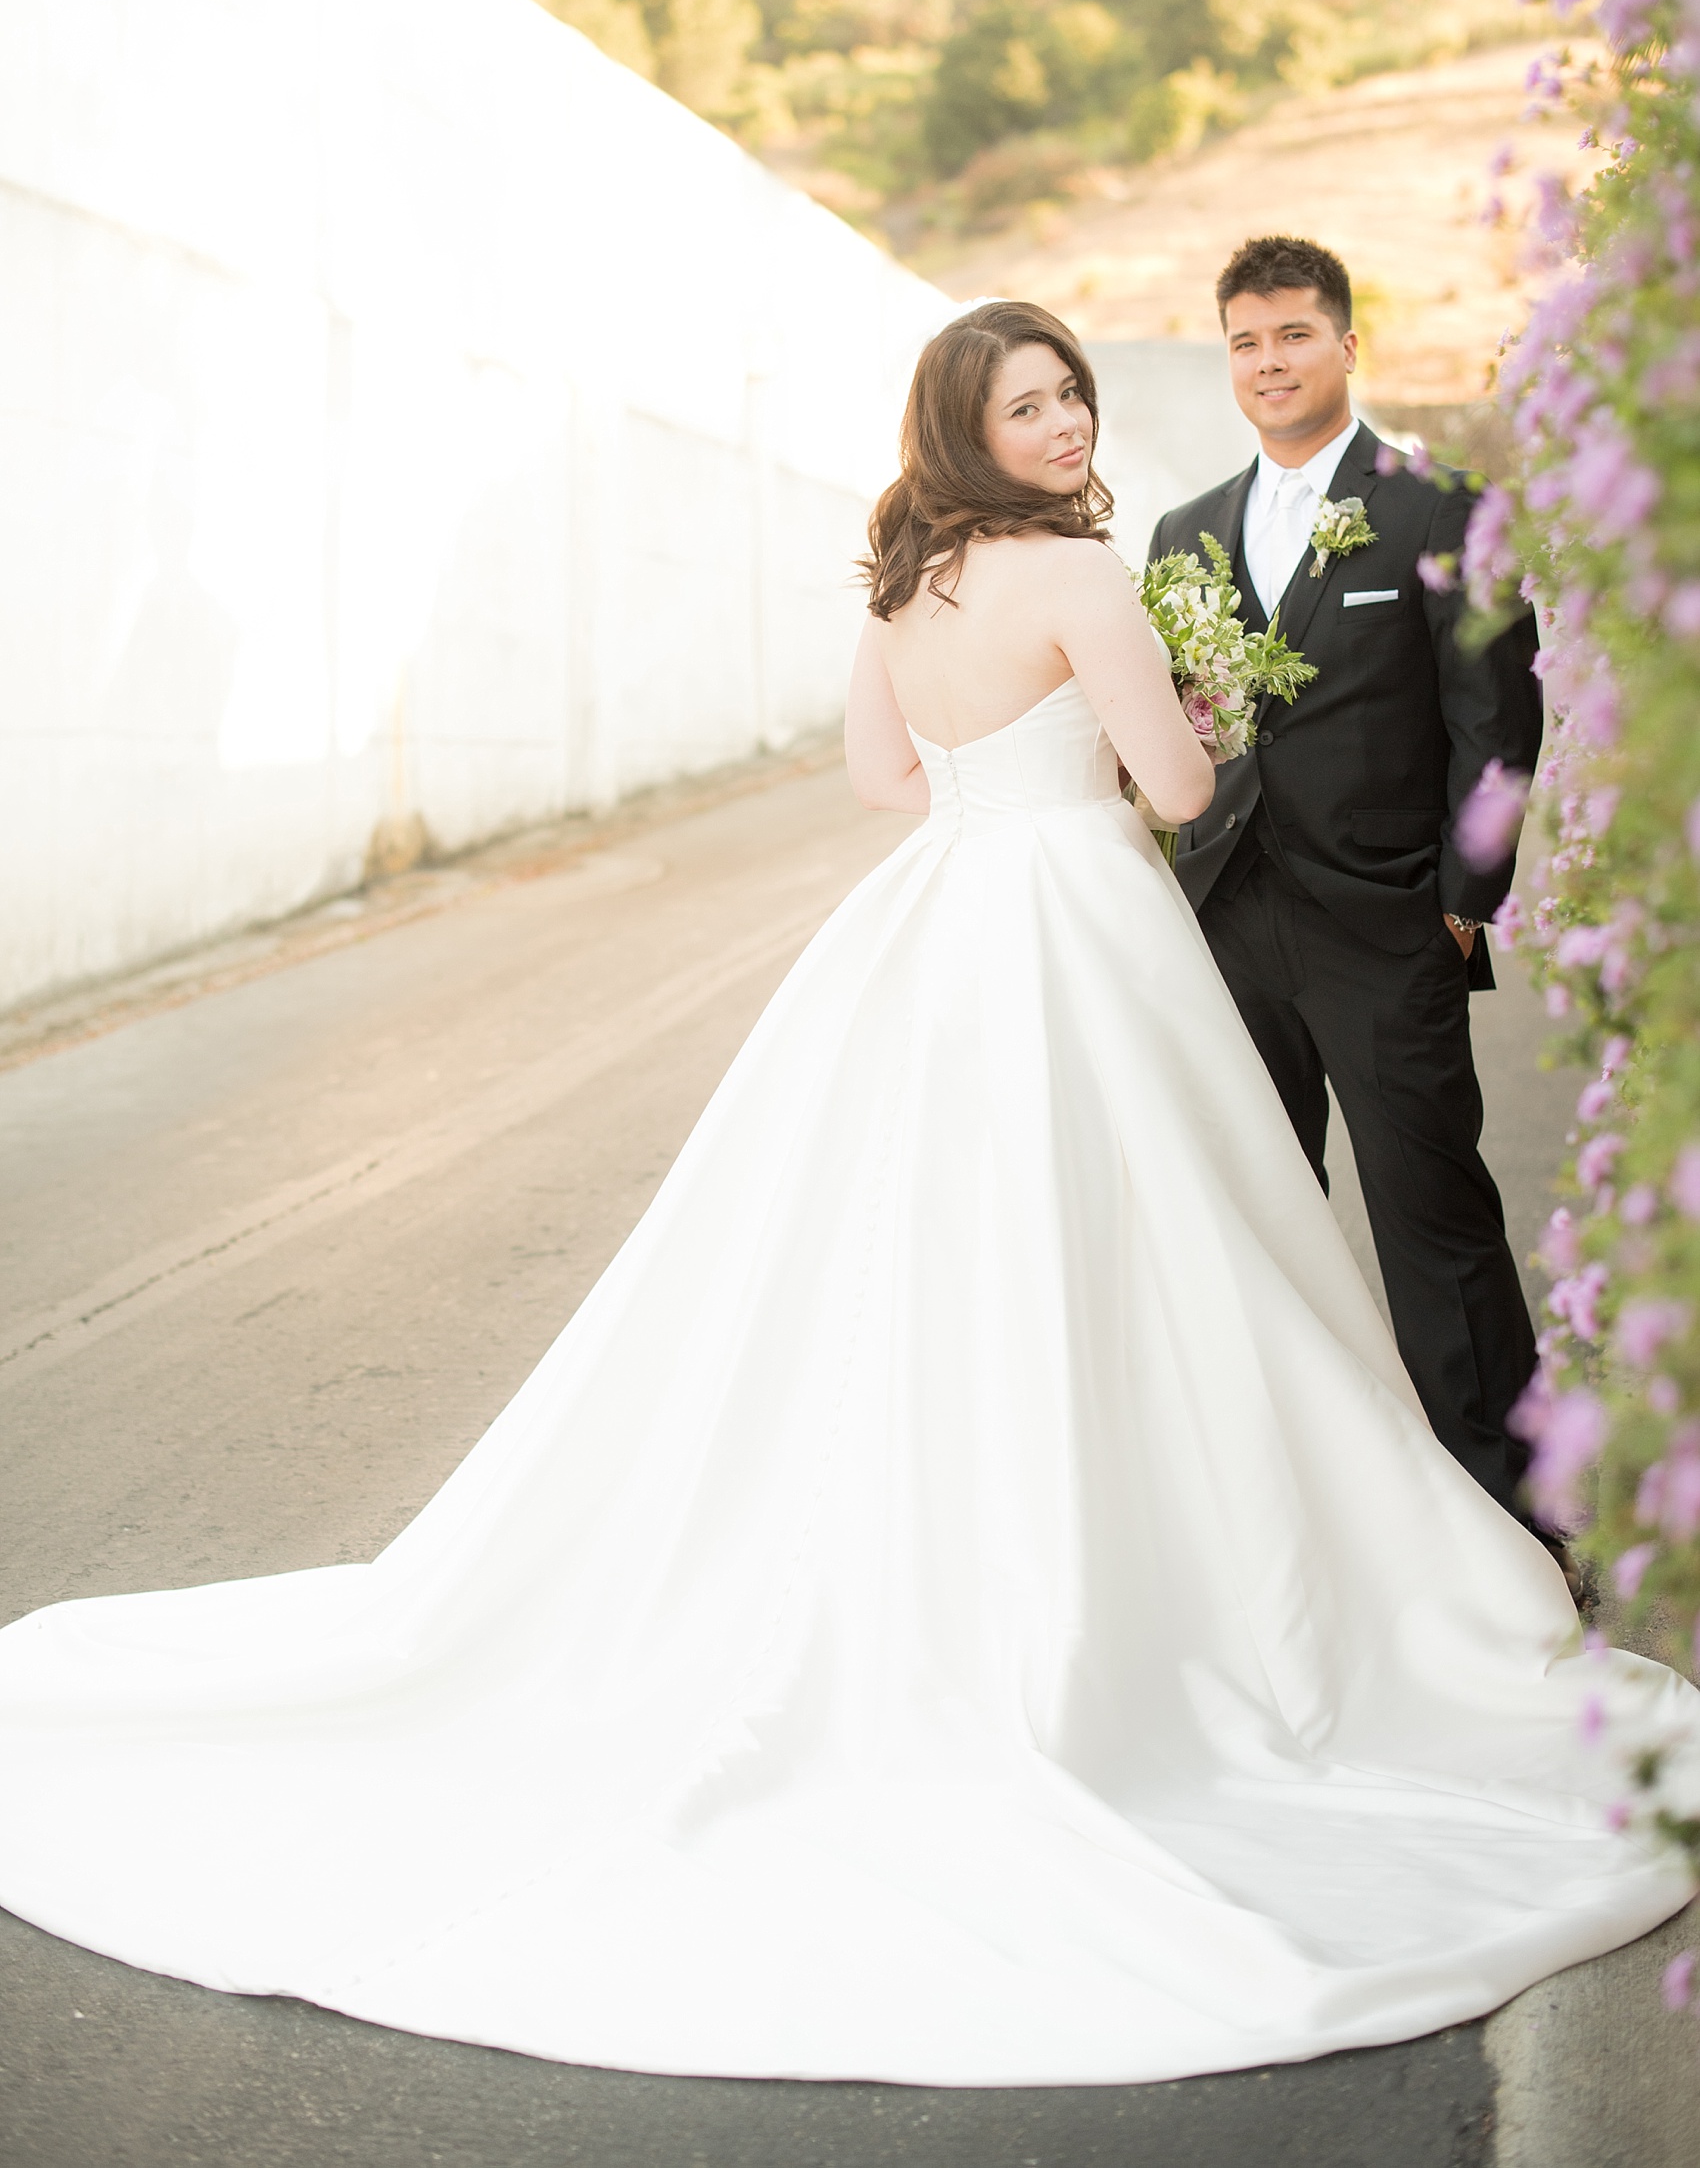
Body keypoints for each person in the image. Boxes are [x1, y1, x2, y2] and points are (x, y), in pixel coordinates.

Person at [0, 300, 1692, 2090]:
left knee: (912, 1249)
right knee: (1162, 1254)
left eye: (1069, 395)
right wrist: (1160, 728)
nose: (1059, 421)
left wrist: (1009, 780)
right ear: (974, 423)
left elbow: (884, 778)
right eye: (1029, 400)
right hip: (1078, 918)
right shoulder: (1081, 572)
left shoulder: (910, 583)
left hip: (942, 919)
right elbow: (1188, 785)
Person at [1148, 237, 1547, 1537]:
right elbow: (1184, 729)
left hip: (1388, 931)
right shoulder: (1185, 534)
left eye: (1294, 335)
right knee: (1257, 1223)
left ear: (1347, 344)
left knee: (1433, 1222)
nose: (1270, 362)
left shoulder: (1440, 505)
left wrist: (1461, 898)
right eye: (1247, 343)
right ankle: (1297, 1525)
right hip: (1230, 931)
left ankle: (1516, 1519)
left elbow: (1497, 718)